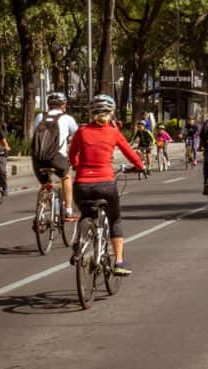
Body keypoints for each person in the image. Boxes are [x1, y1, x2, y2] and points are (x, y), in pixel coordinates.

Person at [68, 94, 146, 276]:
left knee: (86, 213)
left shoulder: (81, 132)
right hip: (105, 184)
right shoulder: (113, 132)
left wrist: (79, 166)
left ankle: (79, 243)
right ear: (110, 113)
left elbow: (72, 156)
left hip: (81, 185)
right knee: (115, 219)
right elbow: (130, 153)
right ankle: (119, 262)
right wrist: (141, 167)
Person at [31, 91, 79, 220]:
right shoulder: (67, 118)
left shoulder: (40, 116)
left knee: (45, 184)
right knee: (66, 177)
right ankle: (68, 211)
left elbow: (35, 135)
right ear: (63, 105)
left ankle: (40, 215)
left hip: (38, 159)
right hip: (56, 158)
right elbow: (78, 137)